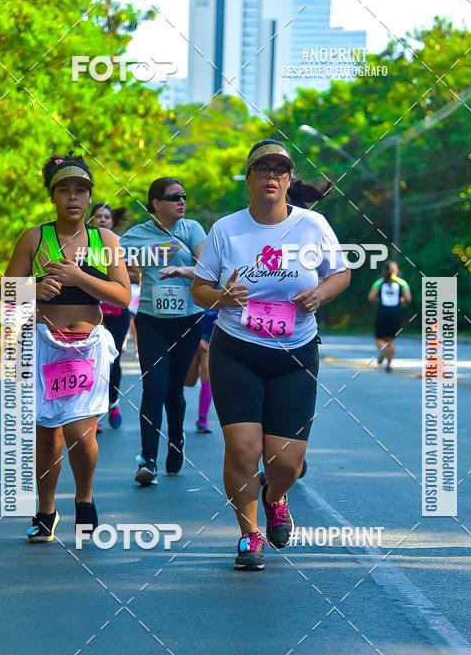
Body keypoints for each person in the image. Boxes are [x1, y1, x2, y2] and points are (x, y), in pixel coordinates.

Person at [192, 139, 350, 571]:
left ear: (289, 180)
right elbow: (199, 289)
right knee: (243, 450)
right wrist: (222, 296)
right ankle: (249, 535)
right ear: (248, 178)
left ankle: (275, 495)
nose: (271, 177)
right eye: (262, 169)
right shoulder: (227, 229)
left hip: (295, 353)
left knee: (286, 463)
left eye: (280, 170)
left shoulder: (312, 226)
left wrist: (318, 294)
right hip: (237, 350)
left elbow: (340, 273)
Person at [4, 155, 130, 542]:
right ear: (53, 196)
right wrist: (32, 290)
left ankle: (85, 498)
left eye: (80, 190)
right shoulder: (34, 237)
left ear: (90, 197)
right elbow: (7, 291)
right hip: (43, 345)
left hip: (86, 346)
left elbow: (122, 295)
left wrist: (78, 276)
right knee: (48, 435)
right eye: (64, 190)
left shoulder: (104, 240)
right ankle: (45, 509)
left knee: (80, 433)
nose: (73, 198)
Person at [120, 178, 206, 485]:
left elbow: (210, 267)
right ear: (156, 203)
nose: (182, 201)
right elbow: (115, 265)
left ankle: (176, 441)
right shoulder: (135, 236)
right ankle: (148, 459)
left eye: (184, 196)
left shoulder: (192, 229)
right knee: (154, 386)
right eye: (174, 197)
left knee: (174, 390)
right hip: (151, 321)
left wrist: (184, 270)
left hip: (188, 320)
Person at [90, 202, 132, 428]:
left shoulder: (123, 245)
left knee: (112, 360)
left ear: (113, 221)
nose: (103, 219)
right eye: (98, 216)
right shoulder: (82, 244)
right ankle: (93, 413)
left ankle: (113, 402)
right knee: (94, 361)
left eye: (106, 216)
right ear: (91, 220)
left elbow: (134, 275)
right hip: (92, 311)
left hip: (117, 313)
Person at [368, 260, 411, 373]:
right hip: (395, 313)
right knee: (391, 339)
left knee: (379, 338)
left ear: (384, 270)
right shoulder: (402, 283)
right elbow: (408, 298)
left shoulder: (379, 282)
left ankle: (383, 349)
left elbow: (371, 297)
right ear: (396, 270)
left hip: (383, 312)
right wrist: (399, 302)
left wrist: (380, 302)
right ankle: (389, 364)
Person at [185, 309, 217, 433]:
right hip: (193, 334)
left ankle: (203, 419)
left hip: (211, 337)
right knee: (189, 381)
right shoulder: (194, 291)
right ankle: (175, 406)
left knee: (207, 373)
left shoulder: (225, 290)